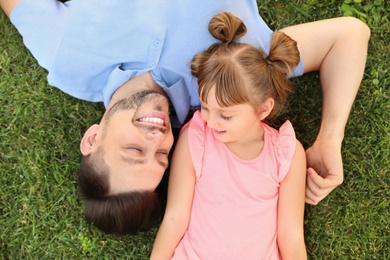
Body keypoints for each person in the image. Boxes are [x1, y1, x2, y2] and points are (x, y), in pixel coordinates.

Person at [0, 0, 370, 234]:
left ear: (92, 138)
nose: (156, 138)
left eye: (133, 151)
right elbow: (349, 36)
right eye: (162, 157)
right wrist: (328, 139)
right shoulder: (224, 82)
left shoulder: (66, 58)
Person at [151, 12, 307, 259]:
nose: (211, 121)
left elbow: (290, 234)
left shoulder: (285, 153)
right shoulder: (196, 137)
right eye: (204, 106)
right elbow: (175, 217)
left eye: (225, 115)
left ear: (263, 109)